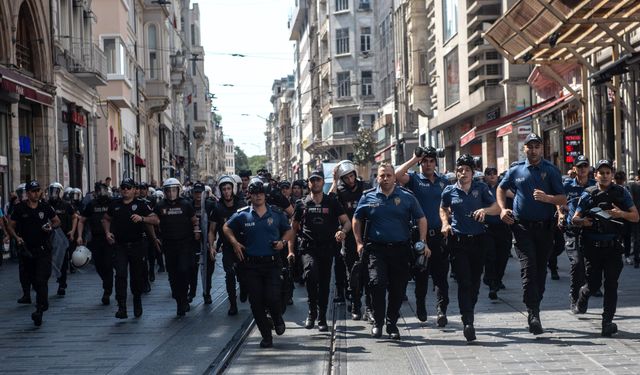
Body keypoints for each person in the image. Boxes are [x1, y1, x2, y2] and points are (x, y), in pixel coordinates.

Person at [497, 133, 566, 335]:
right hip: (522, 228)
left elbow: (562, 198)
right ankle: (533, 312)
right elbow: (501, 189)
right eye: (530, 146)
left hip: (545, 228)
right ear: (524, 149)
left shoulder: (551, 170)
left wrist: (547, 198)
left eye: (537, 146)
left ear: (541, 149)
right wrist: (502, 209)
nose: (533, 150)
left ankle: (536, 302)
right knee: (529, 268)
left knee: (540, 270)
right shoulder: (516, 170)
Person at [353, 163, 429, 340]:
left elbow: (421, 218)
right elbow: (356, 219)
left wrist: (423, 241)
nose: (385, 178)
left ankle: (392, 323)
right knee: (376, 284)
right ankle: (378, 322)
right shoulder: (368, 196)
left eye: (388, 175)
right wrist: (358, 243)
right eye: (382, 176)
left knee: (398, 289)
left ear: (394, 177)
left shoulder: (407, 197)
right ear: (377, 178)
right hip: (376, 250)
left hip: (400, 250)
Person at [223, 178, 295, 348]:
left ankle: (277, 317)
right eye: (255, 194)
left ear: (265, 195)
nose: (258, 197)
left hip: (272, 264)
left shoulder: (276, 213)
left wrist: (282, 243)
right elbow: (226, 227)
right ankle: (266, 336)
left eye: (261, 193)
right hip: (251, 266)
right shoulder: (242, 214)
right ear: (250, 196)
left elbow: (289, 230)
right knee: (256, 302)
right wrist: (234, 243)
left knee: (273, 297)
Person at [572, 159, 639, 336]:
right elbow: (575, 218)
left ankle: (607, 322)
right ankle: (583, 294)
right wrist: (583, 221)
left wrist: (620, 214)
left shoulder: (621, 193)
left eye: (608, 172)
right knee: (593, 285)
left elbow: (635, 217)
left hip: (613, 247)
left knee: (611, 284)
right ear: (596, 175)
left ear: (612, 175)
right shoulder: (588, 194)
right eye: (601, 173)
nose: (604, 176)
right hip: (592, 247)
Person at [440, 155, 501, 341]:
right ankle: (468, 321)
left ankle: (469, 309)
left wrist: (485, 211)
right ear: (456, 172)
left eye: (467, 170)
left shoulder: (481, 188)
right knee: (464, 281)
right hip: (458, 241)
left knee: (475, 282)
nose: (463, 173)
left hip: (479, 240)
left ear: (473, 173)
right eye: (460, 170)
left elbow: (496, 207)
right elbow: (443, 208)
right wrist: (445, 223)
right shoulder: (449, 191)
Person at [395, 146, 451, 326]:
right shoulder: (414, 179)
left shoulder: (444, 182)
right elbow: (397, 175)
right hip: (420, 237)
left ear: (436, 163)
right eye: (424, 161)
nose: (428, 164)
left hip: (439, 236)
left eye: (431, 161)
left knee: (441, 276)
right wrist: (414, 159)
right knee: (421, 275)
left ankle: (442, 310)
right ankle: (420, 305)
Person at [293, 169, 351, 332]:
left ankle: (322, 317)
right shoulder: (301, 204)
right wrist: (291, 249)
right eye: (312, 180)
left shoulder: (332, 202)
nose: (316, 183)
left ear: (322, 182)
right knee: (311, 275)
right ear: (309, 183)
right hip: (308, 248)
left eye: (318, 180)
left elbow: (346, 222)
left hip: (327, 248)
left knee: (325, 283)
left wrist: (343, 232)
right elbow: (293, 228)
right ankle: (312, 312)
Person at [103, 178, 159, 319]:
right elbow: (106, 219)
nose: (125, 190)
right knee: (120, 275)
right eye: (123, 187)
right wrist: (107, 232)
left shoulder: (141, 204)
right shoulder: (114, 204)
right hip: (120, 246)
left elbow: (156, 220)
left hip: (137, 245)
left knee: (136, 276)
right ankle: (121, 307)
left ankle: (137, 300)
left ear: (135, 190)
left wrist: (142, 219)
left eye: (128, 187)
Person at [7, 181, 61, 326]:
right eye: (33, 191)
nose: (36, 193)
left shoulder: (45, 207)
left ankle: (39, 309)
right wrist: (16, 237)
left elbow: (57, 221)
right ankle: (42, 301)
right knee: (33, 279)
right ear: (28, 193)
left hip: (43, 249)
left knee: (42, 278)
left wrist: (50, 226)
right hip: (27, 251)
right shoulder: (19, 208)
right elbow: (10, 225)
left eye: (38, 190)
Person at [330, 160, 372, 321]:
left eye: (351, 176)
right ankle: (355, 303)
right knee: (353, 273)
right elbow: (330, 200)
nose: (350, 180)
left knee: (369, 273)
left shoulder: (366, 187)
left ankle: (370, 306)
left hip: (367, 234)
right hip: (348, 237)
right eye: (346, 177)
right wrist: (334, 180)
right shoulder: (339, 190)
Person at [154, 178, 200, 316]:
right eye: (168, 190)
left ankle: (184, 299)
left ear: (178, 190)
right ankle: (178, 298)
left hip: (185, 244)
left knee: (184, 270)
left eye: (173, 190)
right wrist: (154, 236)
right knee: (173, 274)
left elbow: (194, 220)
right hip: (169, 245)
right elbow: (154, 219)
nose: (171, 193)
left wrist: (197, 230)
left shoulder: (186, 204)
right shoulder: (160, 205)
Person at [558, 155, 596, 313]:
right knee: (576, 263)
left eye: (585, 166)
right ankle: (574, 298)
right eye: (579, 166)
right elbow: (559, 201)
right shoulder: (567, 185)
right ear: (574, 168)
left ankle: (583, 296)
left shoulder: (595, 185)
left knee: (591, 267)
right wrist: (560, 214)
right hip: (572, 229)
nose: (582, 169)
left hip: (591, 230)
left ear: (589, 169)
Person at [209, 175, 247, 312]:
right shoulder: (217, 208)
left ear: (233, 189)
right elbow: (212, 230)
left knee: (243, 274)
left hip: (243, 246)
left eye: (229, 188)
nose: (226, 192)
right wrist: (212, 246)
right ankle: (232, 304)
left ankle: (244, 288)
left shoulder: (242, 205)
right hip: (227, 247)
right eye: (223, 189)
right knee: (229, 273)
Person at [77, 182, 114, 305]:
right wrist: (79, 236)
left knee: (108, 264)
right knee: (98, 265)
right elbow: (82, 220)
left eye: (103, 190)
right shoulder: (91, 205)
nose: (101, 192)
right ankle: (106, 282)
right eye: (99, 190)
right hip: (96, 239)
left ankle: (107, 291)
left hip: (109, 239)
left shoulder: (112, 203)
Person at [482, 167, 513, 300]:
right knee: (490, 256)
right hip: (487, 228)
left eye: (494, 174)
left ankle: (498, 279)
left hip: (503, 226)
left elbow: (515, 197)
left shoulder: (503, 188)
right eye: (489, 174)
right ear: (485, 176)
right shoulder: (482, 189)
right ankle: (492, 283)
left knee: (503, 256)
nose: (492, 176)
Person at [47, 182, 78, 296]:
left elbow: (75, 217)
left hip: (62, 236)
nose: (53, 194)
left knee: (64, 261)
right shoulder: (45, 204)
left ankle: (62, 284)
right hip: (48, 236)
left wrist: (73, 231)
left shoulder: (66, 205)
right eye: (51, 191)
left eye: (55, 191)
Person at [187, 181, 215, 303]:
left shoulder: (210, 205)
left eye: (200, 192)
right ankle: (192, 292)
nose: (198, 195)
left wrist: (213, 242)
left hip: (207, 240)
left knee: (208, 269)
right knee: (192, 268)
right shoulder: (189, 205)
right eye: (196, 192)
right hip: (193, 241)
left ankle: (207, 293)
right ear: (193, 193)